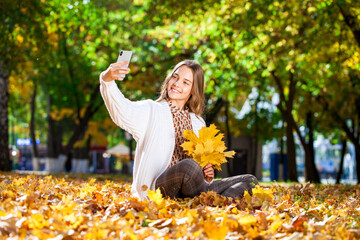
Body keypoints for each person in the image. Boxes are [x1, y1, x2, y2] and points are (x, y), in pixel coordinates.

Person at [100, 59, 258, 200]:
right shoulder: (151, 110)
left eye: (185, 82)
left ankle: (217, 204)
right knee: (189, 166)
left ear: (193, 90)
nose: (176, 84)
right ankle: (210, 200)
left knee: (250, 180)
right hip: (159, 190)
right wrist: (107, 81)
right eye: (175, 77)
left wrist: (206, 174)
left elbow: (200, 169)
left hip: (190, 190)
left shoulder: (198, 122)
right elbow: (122, 111)